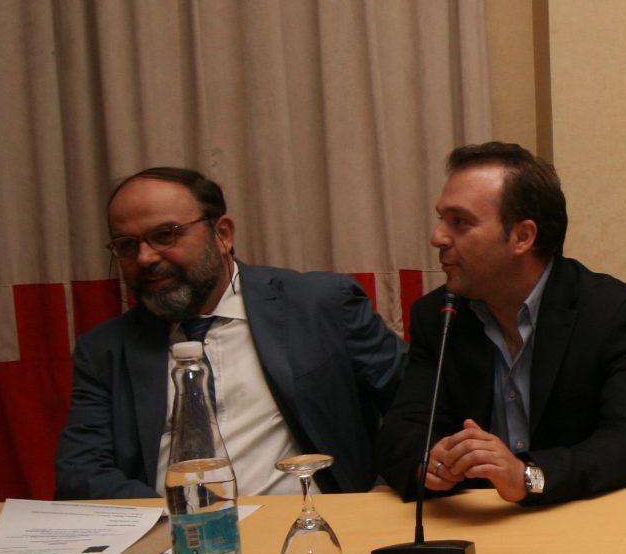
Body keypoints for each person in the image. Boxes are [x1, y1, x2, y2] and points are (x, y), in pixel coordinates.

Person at [56, 167, 407, 499]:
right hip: (172, 533)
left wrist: (389, 485)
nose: (145, 258)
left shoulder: (319, 305)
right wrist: (178, 519)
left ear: (222, 234)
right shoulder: (106, 349)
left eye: (165, 235)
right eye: (127, 245)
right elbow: (81, 472)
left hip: (310, 524)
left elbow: (416, 406)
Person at [375, 142, 626, 505]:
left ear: (523, 237)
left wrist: (526, 476)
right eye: (441, 219)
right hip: (471, 517)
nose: (438, 237)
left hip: (574, 512)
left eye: (459, 222)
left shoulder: (610, 312)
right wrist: (429, 463)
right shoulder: (439, 316)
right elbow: (403, 430)